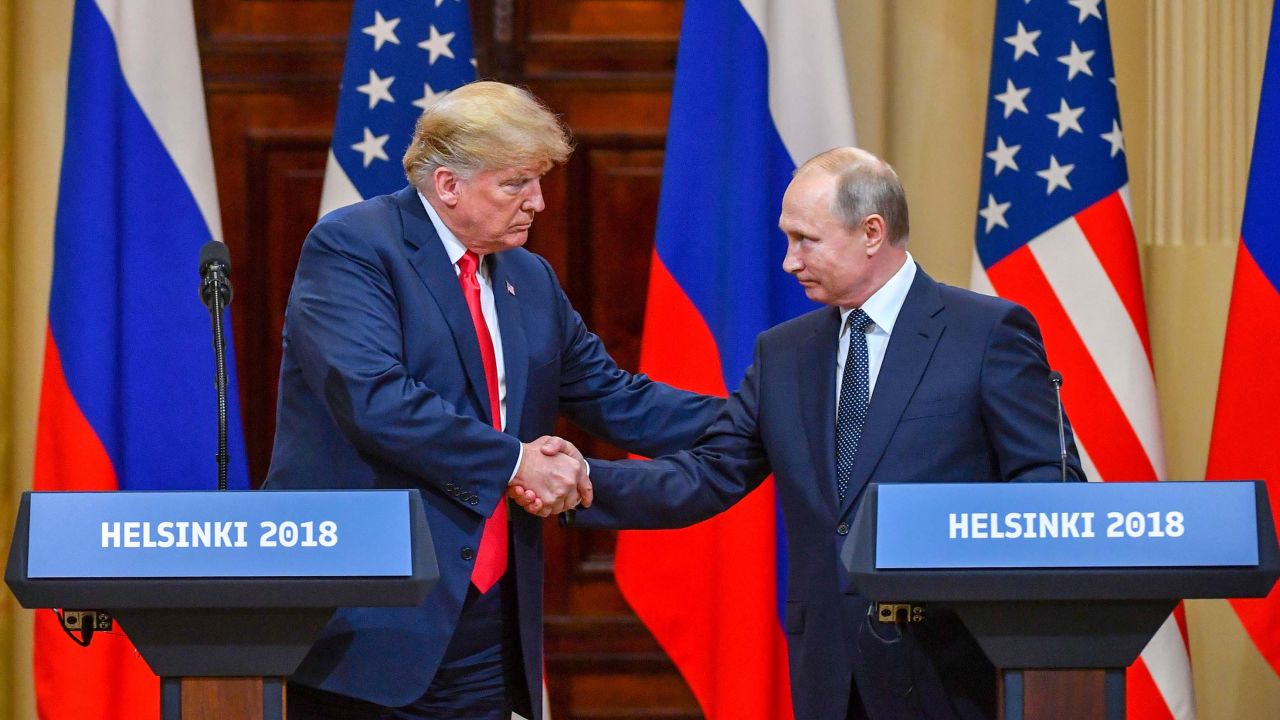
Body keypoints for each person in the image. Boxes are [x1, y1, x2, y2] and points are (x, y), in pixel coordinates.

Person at [534, 147, 1086, 720]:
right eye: (787, 239)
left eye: (806, 240)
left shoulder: (986, 333)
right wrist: (581, 482)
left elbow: (1049, 487)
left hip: (954, 664)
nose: (789, 262)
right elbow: (709, 473)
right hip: (829, 667)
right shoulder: (786, 353)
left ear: (872, 231)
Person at [264, 80, 722, 720]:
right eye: (517, 184)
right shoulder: (354, 247)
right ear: (448, 185)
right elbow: (378, 401)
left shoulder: (528, 277)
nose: (538, 201)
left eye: (538, 181)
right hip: (371, 622)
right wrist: (518, 463)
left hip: (488, 625)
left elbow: (616, 398)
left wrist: (763, 418)